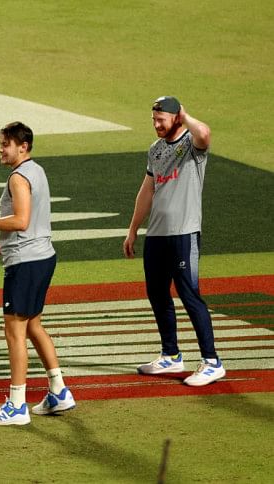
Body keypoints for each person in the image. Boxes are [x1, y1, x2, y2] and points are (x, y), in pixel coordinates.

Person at [0, 122, 75, 426]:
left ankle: (16, 406)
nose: (0, 149)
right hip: (42, 257)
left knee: (15, 331)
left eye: (5, 144)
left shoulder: (18, 177)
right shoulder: (36, 170)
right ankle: (59, 391)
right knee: (33, 325)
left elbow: (22, 221)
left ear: (22, 147)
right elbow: (32, 222)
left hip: (25, 263)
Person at [123, 96, 224, 387]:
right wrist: (133, 229)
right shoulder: (155, 150)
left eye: (161, 119)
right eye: (153, 119)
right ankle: (171, 354)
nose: (156, 124)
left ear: (176, 118)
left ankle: (212, 362)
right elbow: (147, 191)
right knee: (157, 293)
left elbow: (205, 133)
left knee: (189, 294)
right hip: (157, 234)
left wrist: (185, 115)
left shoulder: (192, 145)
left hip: (183, 233)